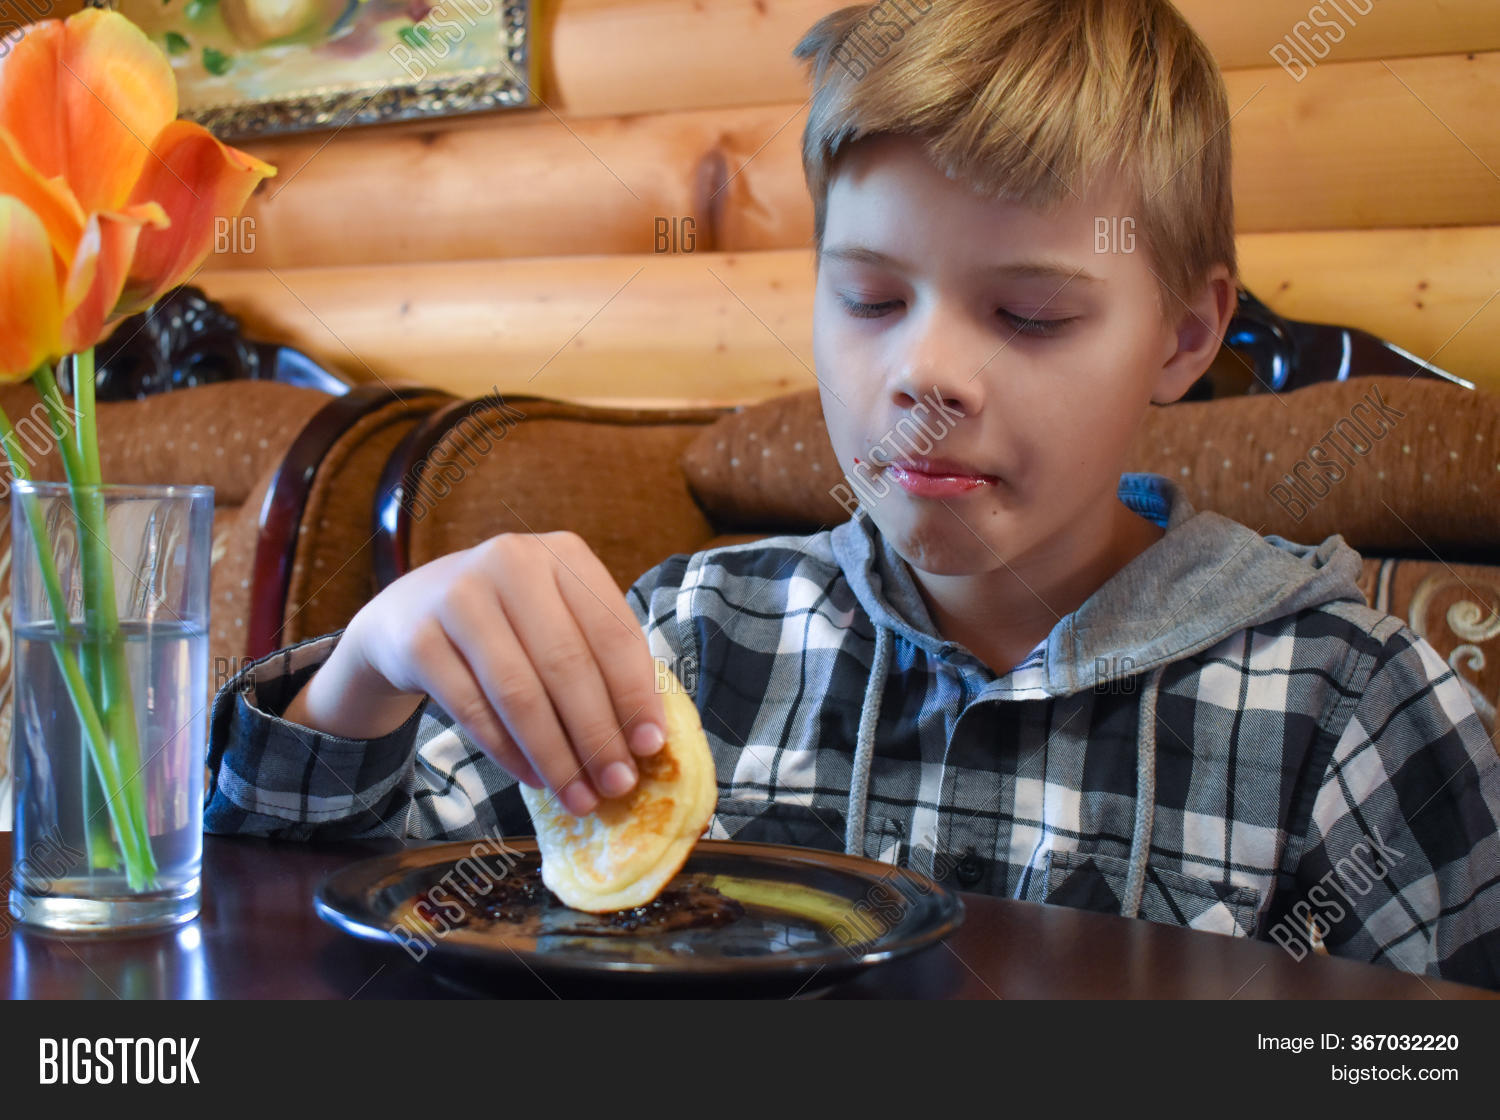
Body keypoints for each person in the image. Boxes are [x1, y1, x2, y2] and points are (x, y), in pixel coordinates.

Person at [204, 0, 1500, 989]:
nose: (925, 372)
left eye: (1032, 314)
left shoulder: (1356, 715)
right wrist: (372, 662)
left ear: (1182, 334)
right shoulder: (688, 645)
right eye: (872, 298)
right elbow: (318, 926)